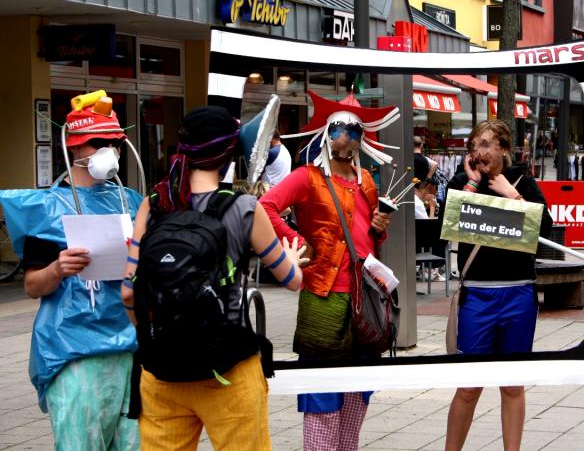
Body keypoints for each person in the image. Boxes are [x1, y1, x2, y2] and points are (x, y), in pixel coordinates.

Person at [122, 106, 305, 450]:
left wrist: (158, 332)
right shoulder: (244, 208)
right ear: (228, 154)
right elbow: (291, 280)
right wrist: (293, 260)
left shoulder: (153, 204)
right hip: (228, 369)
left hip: (162, 371)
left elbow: (128, 294)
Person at [0, 93, 141, 449]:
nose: (109, 150)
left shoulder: (132, 202)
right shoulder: (47, 209)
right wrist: (59, 268)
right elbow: (33, 285)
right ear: (76, 150)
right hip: (73, 348)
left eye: (114, 143)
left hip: (131, 345)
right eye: (98, 143)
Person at [259, 90, 397, 451]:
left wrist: (380, 227)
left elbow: (368, 238)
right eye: (339, 127)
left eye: (354, 129)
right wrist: (297, 242)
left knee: (357, 394)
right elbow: (265, 207)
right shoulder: (307, 178)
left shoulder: (366, 180)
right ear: (325, 132)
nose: (347, 135)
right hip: (323, 296)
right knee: (322, 395)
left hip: (363, 301)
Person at [444, 119, 553, 451]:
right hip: (477, 293)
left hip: (517, 292)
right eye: (476, 144)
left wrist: (513, 195)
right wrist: (472, 189)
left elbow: (545, 232)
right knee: (468, 385)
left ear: (504, 149)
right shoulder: (463, 181)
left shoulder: (524, 182)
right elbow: (445, 228)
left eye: (488, 144)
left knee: (512, 384)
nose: (480, 151)